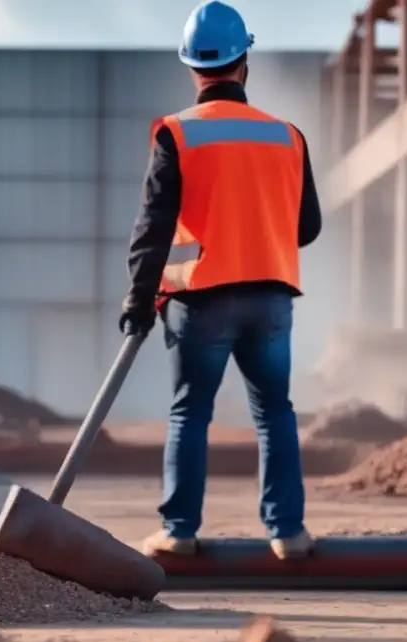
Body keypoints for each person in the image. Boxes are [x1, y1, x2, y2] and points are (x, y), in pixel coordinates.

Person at [118, 0, 323, 560]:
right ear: (243, 61)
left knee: (190, 411)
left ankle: (179, 531)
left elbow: (152, 229)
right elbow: (308, 227)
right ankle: (287, 533)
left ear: (193, 67)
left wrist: (138, 300)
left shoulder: (177, 135)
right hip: (270, 300)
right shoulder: (287, 136)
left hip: (200, 301)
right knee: (275, 411)